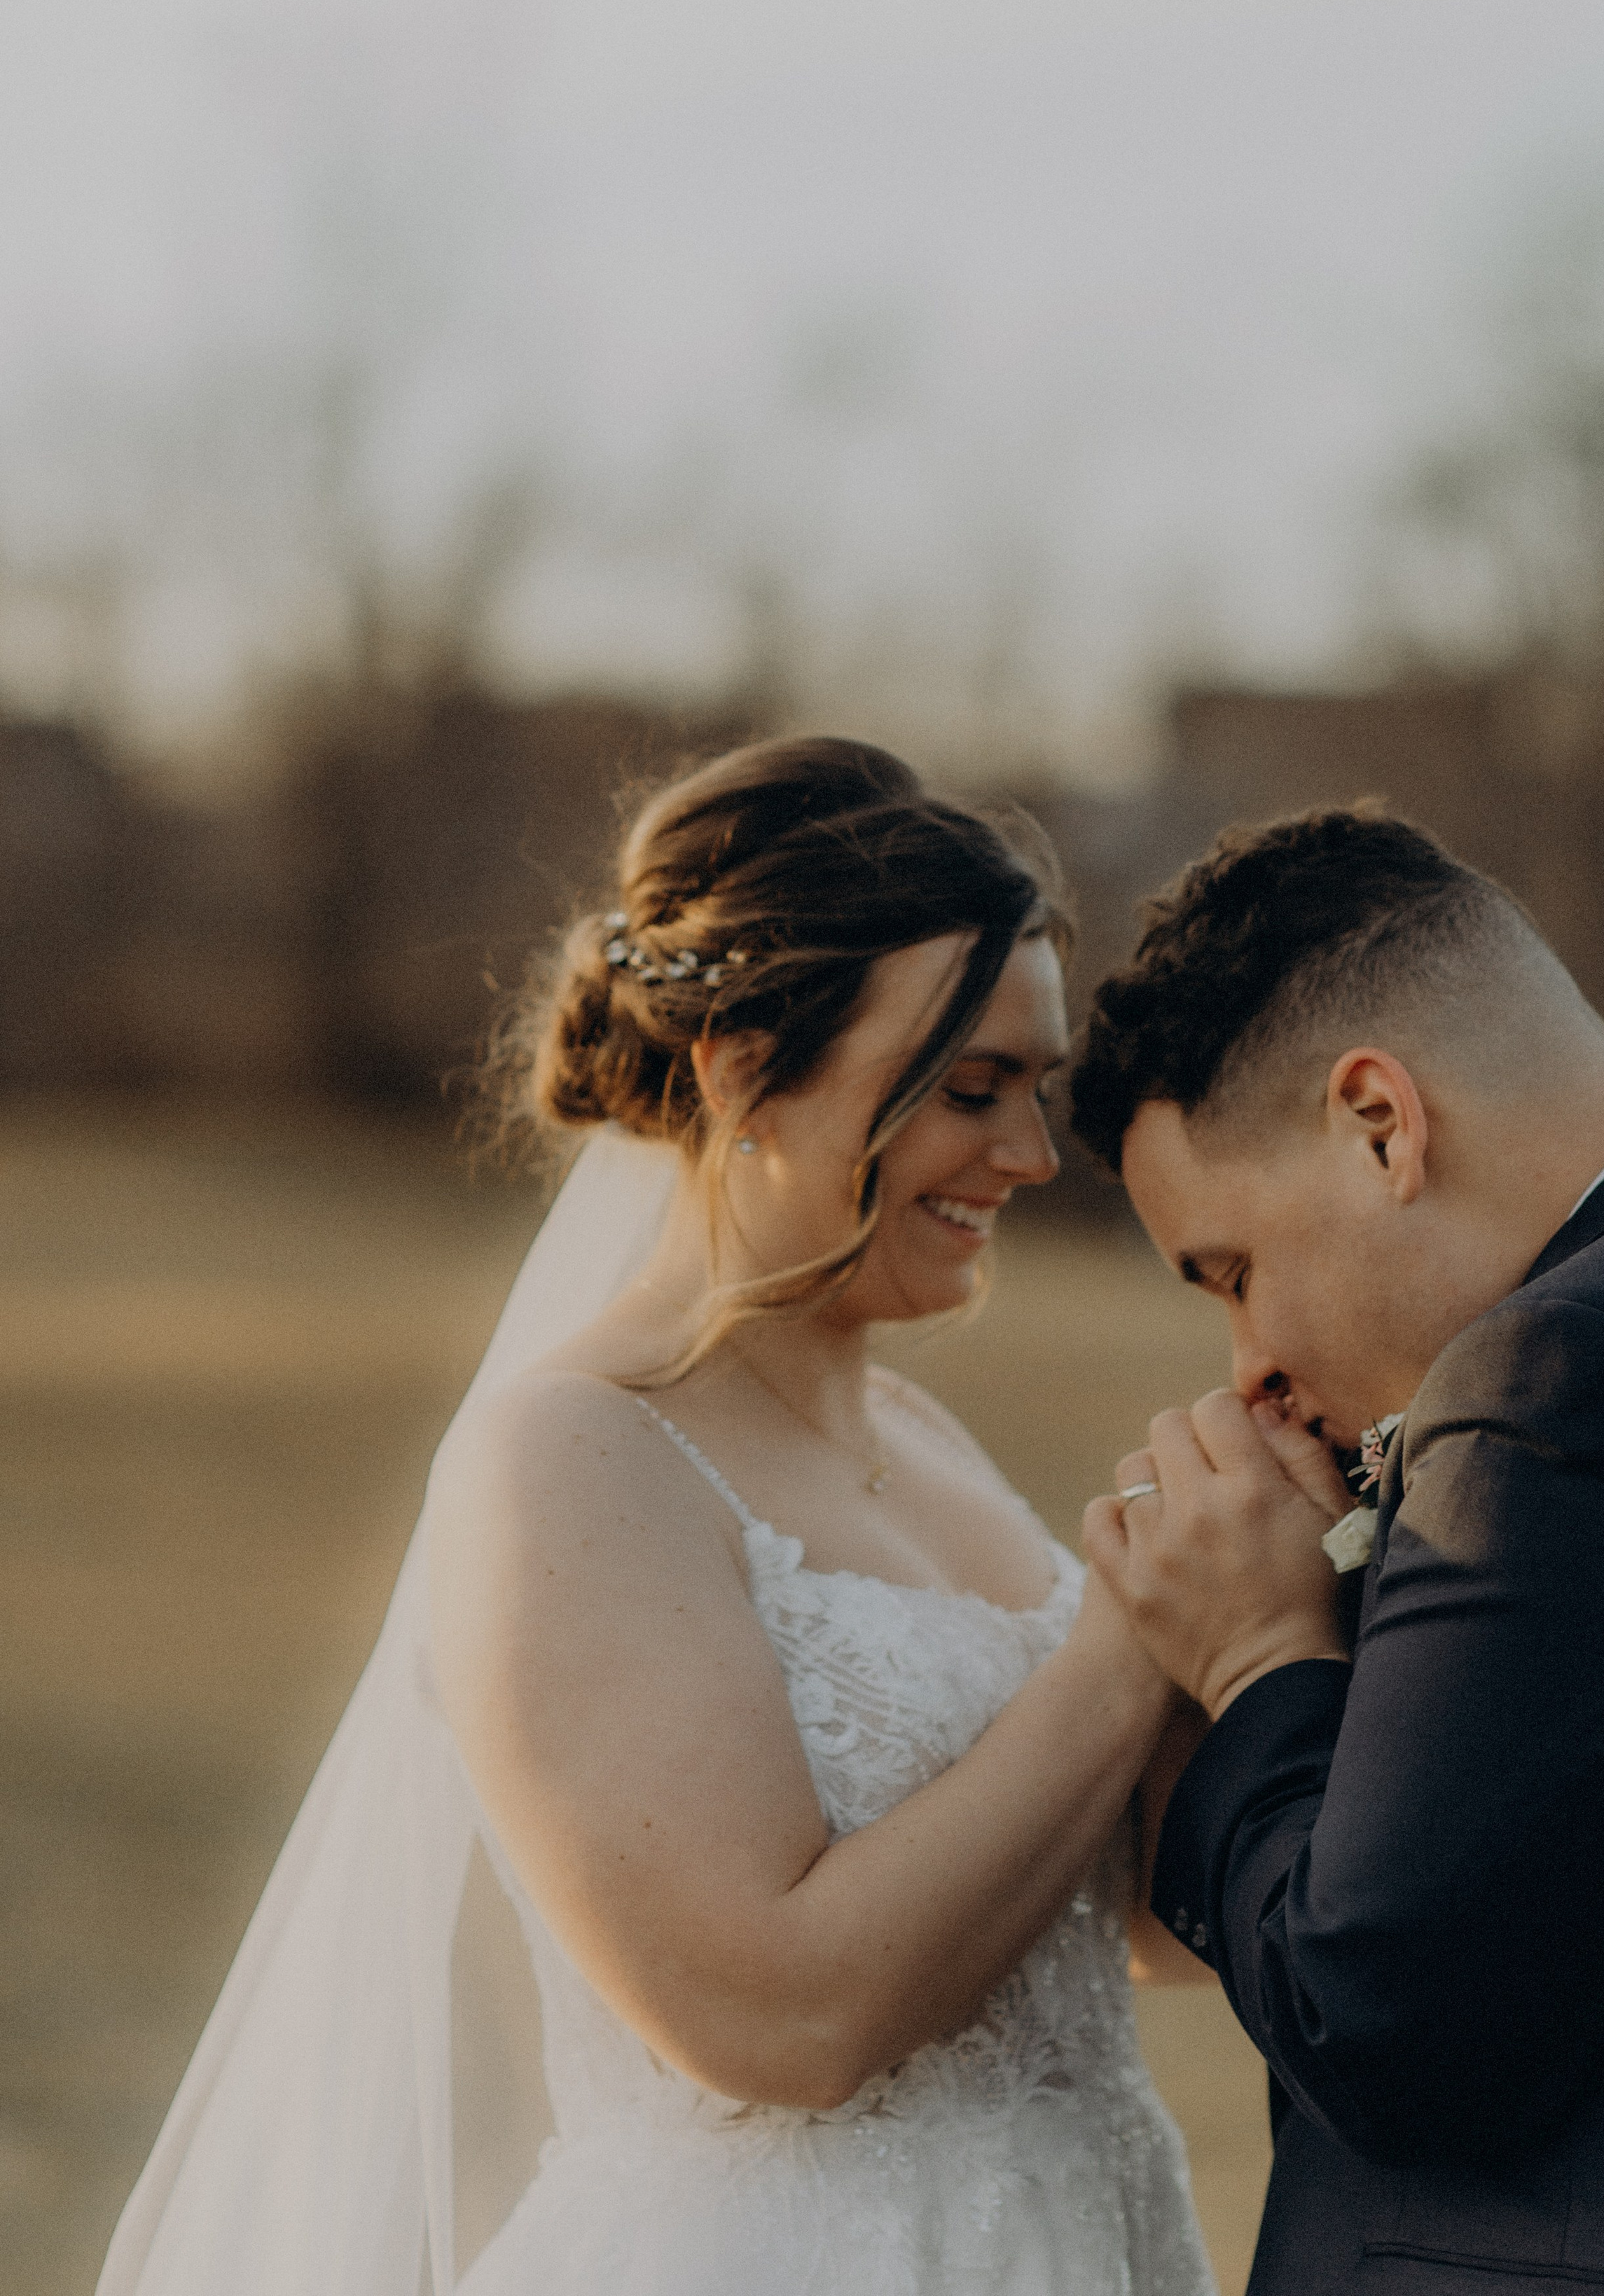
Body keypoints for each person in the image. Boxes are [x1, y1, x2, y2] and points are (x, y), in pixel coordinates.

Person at [99, 735, 1212, 2296]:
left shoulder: (928, 1438)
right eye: (971, 1090)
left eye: (1037, 1092)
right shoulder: (572, 1462)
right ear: (743, 1070)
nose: (1028, 1156)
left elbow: (1133, 1928)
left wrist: (1250, 1603)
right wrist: (1121, 1647)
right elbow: (776, 2021)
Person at [1070, 802, 1604, 2295]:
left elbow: (1392, 2029)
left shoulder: (1571, 1375)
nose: (1250, 1365)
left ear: (1378, 1123)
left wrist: (1259, 1659)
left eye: (1231, 1270)